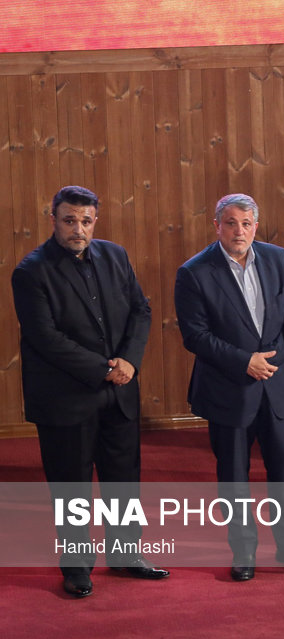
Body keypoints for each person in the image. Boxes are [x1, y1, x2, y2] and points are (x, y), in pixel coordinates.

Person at [11, 185, 169, 598]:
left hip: (120, 391)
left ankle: (125, 553)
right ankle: (78, 566)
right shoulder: (31, 271)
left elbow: (141, 310)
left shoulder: (115, 256)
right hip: (66, 398)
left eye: (85, 221)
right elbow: (46, 338)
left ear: (95, 221)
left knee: (123, 480)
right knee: (72, 487)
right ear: (53, 220)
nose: (78, 229)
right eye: (69, 220)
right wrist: (104, 369)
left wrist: (129, 361)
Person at [175, 193, 284, 581]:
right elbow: (195, 335)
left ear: (256, 226)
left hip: (275, 386)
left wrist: (271, 360)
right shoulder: (194, 272)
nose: (239, 231)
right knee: (234, 477)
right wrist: (245, 362)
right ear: (217, 226)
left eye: (246, 224)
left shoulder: (278, 259)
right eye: (230, 223)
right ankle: (243, 550)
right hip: (228, 389)